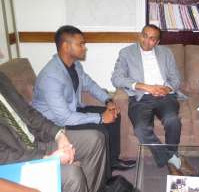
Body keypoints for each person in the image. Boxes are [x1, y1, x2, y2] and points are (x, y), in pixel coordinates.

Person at [32, 25, 135, 172]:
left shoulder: (75, 65)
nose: (84, 47)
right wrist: (100, 118)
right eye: (80, 44)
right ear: (66, 46)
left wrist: (108, 101)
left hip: (73, 110)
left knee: (114, 115)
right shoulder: (51, 76)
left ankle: (112, 161)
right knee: (101, 130)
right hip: (55, 122)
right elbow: (64, 118)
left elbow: (90, 85)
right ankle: (105, 178)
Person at [0, 72, 107, 192]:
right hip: (13, 165)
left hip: (36, 142)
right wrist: (46, 159)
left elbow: (30, 114)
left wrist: (59, 135)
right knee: (72, 175)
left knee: (94, 139)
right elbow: (3, 157)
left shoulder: (1, 78)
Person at [111, 24, 195, 176]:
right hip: (141, 97)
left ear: (157, 42)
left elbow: (175, 78)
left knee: (172, 120)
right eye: (144, 35)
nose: (146, 41)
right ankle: (172, 159)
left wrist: (167, 89)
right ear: (140, 34)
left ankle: (170, 158)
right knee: (140, 129)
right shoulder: (126, 53)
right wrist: (145, 87)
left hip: (165, 96)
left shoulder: (166, 52)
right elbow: (116, 78)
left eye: (152, 39)